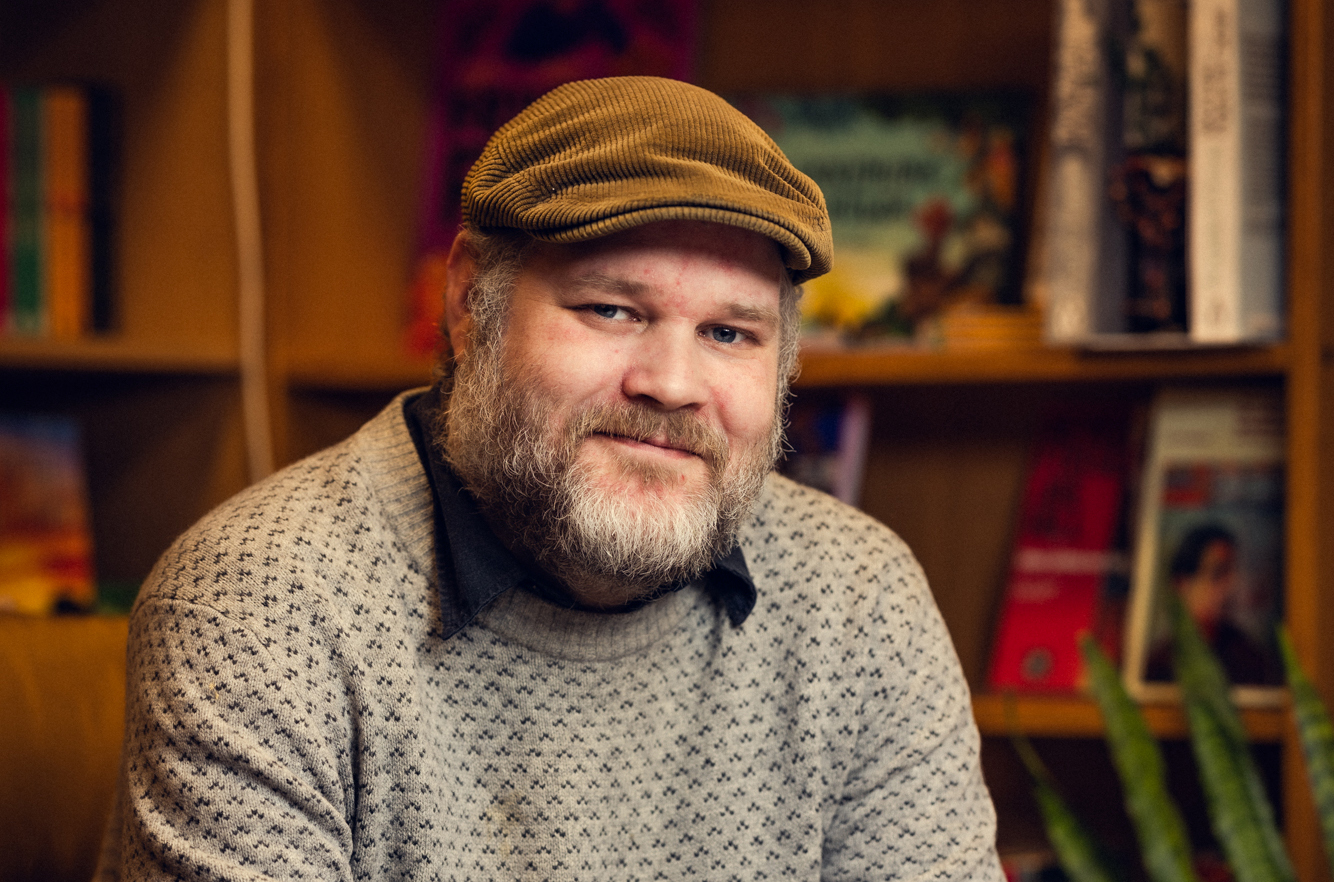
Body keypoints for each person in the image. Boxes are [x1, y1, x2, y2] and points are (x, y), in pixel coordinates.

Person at [96, 76, 1001, 881]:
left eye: (730, 333)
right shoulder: (260, 606)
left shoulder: (860, 599)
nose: (672, 384)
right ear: (470, 304)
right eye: (611, 309)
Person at [1144, 522, 1280, 686]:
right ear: (1181, 584)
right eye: (1217, 574)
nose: (1230, 587)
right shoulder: (1157, 665)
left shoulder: (1251, 661)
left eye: (1231, 574)